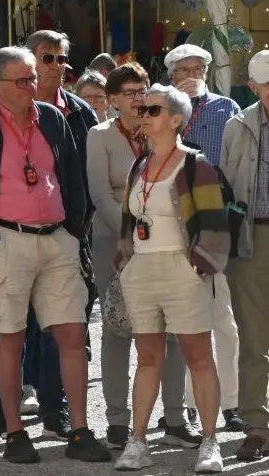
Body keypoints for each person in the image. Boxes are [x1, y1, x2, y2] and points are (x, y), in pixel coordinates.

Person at [0, 47, 109, 464]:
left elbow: (72, 177)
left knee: (72, 336)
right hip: (8, 240)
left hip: (58, 239)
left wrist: (74, 233)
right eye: (22, 81)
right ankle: (15, 432)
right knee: (11, 337)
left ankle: (78, 430)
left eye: (33, 78)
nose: (32, 87)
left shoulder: (54, 118)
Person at [113, 84, 229, 473]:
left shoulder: (196, 164)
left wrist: (199, 266)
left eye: (154, 110)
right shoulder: (139, 164)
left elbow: (215, 223)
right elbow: (130, 220)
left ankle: (210, 443)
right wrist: (126, 261)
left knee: (199, 357)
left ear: (177, 119)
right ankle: (136, 441)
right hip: (142, 270)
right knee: (147, 358)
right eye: (143, 109)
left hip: (184, 270)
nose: (144, 115)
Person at [87, 64, 198, 449]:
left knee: (170, 332)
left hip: (165, 244)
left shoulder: (158, 130)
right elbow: (101, 195)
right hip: (113, 244)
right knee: (117, 329)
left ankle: (174, 419)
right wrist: (128, 238)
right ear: (113, 99)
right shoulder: (99, 135)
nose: (138, 99)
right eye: (130, 92)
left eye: (143, 91)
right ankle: (118, 421)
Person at [166, 43, 243, 433]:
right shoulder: (164, 110)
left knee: (225, 319)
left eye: (199, 67)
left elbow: (231, 165)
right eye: (184, 69)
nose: (193, 74)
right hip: (173, 226)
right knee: (185, 320)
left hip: (215, 224)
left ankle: (230, 402)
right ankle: (190, 403)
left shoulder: (226, 108)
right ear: (172, 76)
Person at [219, 50, 269, 460]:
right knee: (253, 339)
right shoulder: (237, 126)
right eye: (268, 84)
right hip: (252, 240)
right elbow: (224, 190)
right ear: (253, 87)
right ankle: (256, 424)